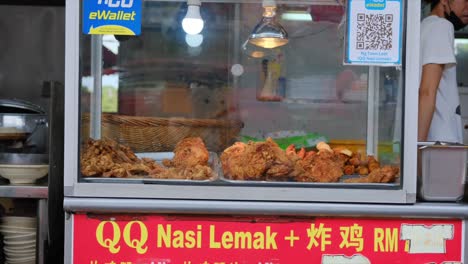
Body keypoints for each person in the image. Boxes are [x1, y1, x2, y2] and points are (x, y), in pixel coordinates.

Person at [418, 0, 468, 143]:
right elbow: (427, 91)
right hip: (439, 143)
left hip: (433, 143)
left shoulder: (424, 26)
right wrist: (417, 149)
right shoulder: (441, 26)